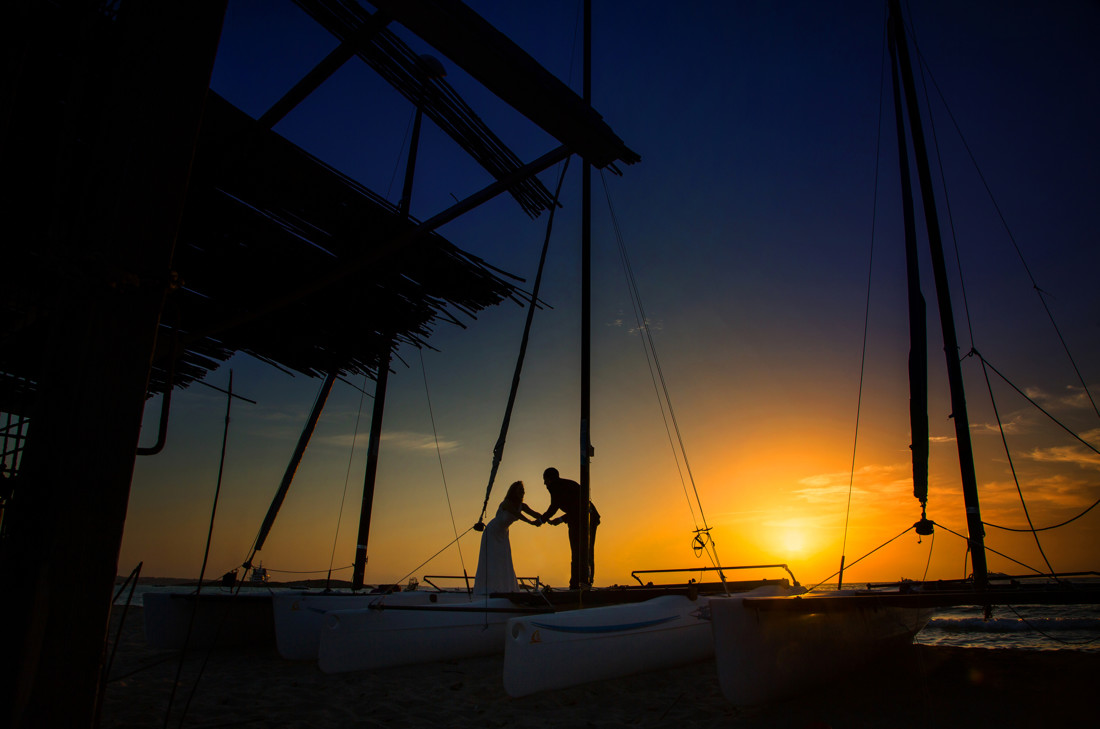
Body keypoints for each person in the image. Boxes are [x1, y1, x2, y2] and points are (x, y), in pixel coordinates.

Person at [472, 481, 541, 595]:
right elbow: (516, 514)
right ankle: (489, 589)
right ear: (513, 491)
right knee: (494, 560)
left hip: (503, 534)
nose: (522, 492)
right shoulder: (506, 503)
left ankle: (504, 588)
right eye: (519, 490)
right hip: (493, 532)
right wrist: (531, 523)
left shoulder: (522, 506)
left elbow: (534, 514)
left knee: (504, 560)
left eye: (523, 490)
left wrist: (546, 519)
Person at [539, 467, 600, 589]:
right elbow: (574, 507)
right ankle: (580, 582)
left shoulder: (556, 487)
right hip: (579, 518)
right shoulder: (564, 485)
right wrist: (559, 519)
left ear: (549, 480)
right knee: (581, 551)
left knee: (582, 551)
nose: (545, 484)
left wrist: (542, 520)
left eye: (545, 481)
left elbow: (554, 507)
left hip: (587, 518)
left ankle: (581, 583)